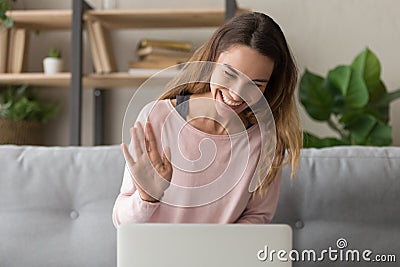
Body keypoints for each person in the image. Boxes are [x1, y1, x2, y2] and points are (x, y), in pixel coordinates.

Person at [112, 12, 302, 226]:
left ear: (269, 87)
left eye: (255, 84)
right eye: (229, 74)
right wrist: (147, 197)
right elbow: (121, 222)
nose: (236, 94)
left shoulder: (266, 141)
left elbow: (258, 217)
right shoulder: (156, 117)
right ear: (212, 60)